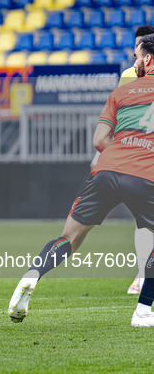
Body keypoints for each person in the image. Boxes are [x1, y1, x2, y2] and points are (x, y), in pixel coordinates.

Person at [8, 34, 154, 327]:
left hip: (106, 171)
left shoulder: (120, 93)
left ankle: (32, 275)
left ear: (147, 59)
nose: (135, 62)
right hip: (145, 175)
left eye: (137, 58)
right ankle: (143, 311)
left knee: (69, 239)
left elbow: (99, 140)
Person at [90, 25, 154, 295]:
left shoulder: (131, 73)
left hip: (134, 156)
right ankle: (142, 276)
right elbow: (121, 120)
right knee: (144, 223)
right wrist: (100, 154)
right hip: (140, 156)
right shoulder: (129, 75)